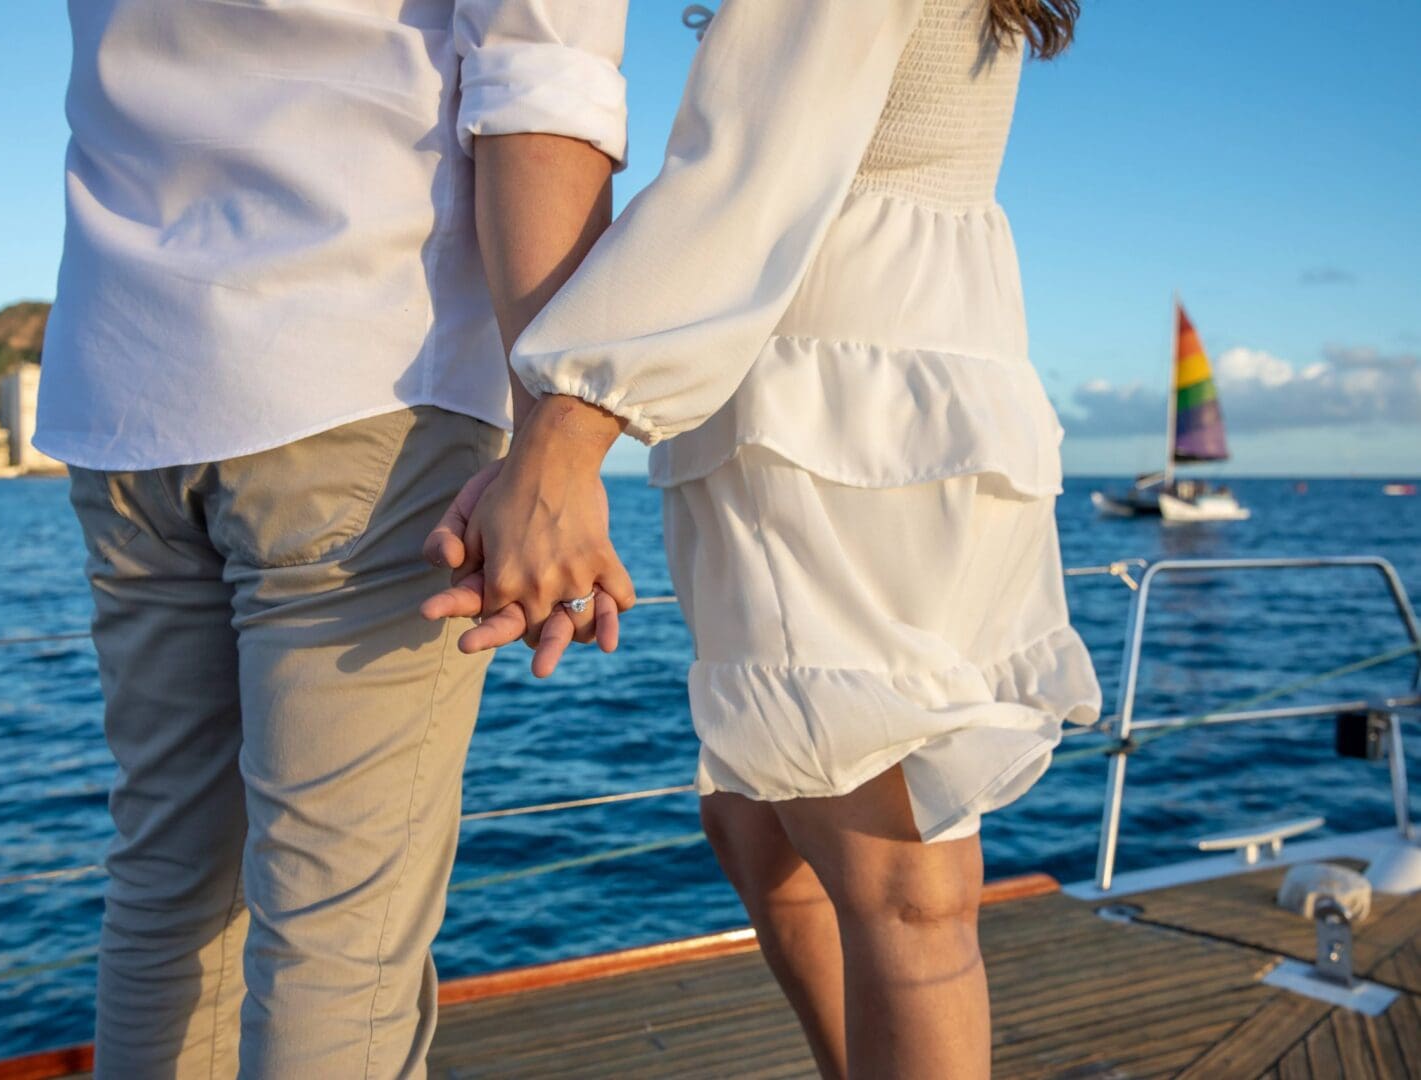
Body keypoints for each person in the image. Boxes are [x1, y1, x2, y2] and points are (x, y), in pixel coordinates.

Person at [424, 1, 1102, 1076]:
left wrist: (561, 434)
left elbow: (743, 179)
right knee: (765, 818)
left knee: (901, 886)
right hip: (909, 402)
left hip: (841, 416)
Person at [35, 1, 628, 1075]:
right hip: (360, 377)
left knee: (168, 882)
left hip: (124, 391)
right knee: (337, 934)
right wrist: (561, 430)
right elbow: (541, 87)